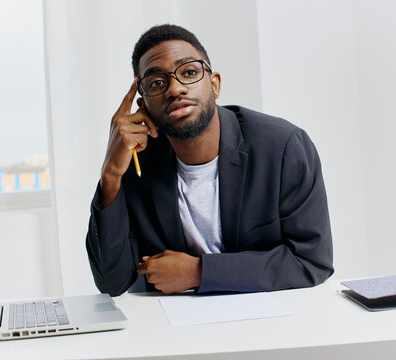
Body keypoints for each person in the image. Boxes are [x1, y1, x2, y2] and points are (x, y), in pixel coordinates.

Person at [86, 24, 333, 296]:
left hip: (272, 325)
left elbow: (312, 261)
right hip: (173, 329)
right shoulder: (136, 163)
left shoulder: (283, 148)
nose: (175, 89)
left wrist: (198, 272)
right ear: (143, 105)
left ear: (214, 84)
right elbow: (112, 282)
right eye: (156, 83)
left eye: (189, 72)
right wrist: (110, 176)